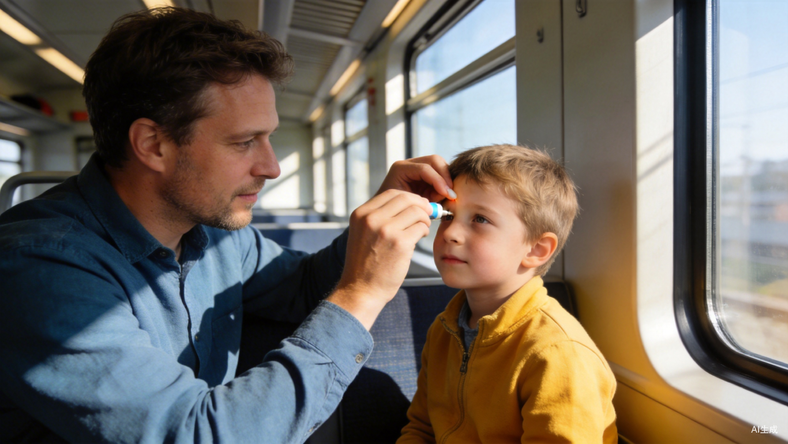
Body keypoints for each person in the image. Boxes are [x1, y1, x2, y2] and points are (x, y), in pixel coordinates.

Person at [0, 7, 456, 443]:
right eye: (244, 142)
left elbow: (304, 286)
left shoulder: (214, 234)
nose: (272, 167)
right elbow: (195, 435)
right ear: (153, 144)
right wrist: (362, 294)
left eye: (268, 137)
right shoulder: (40, 267)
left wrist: (380, 215)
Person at [398, 144, 618, 443]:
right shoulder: (444, 331)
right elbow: (422, 428)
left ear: (536, 249)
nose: (450, 233)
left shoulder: (556, 353)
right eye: (448, 216)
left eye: (480, 219)